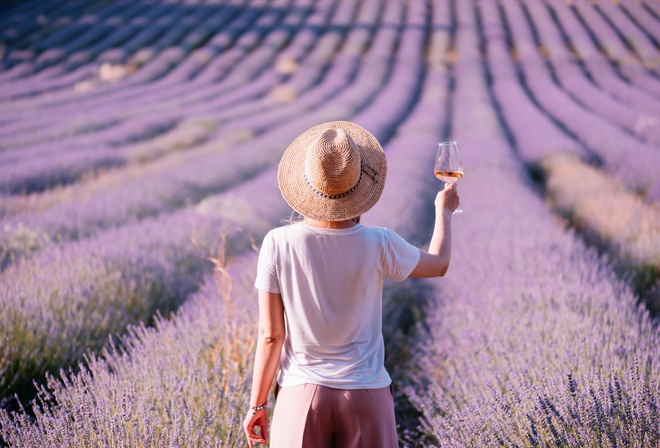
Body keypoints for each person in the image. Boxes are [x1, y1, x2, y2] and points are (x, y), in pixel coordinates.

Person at [243, 121, 460, 447]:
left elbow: (271, 335)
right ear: (359, 183)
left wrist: (257, 405)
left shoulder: (278, 242)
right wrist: (443, 211)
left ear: (306, 181)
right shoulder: (379, 242)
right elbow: (439, 264)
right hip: (366, 394)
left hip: (302, 397)